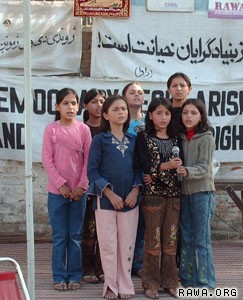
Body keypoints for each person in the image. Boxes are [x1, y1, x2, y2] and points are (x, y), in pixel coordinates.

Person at [87, 94, 143, 299]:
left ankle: (126, 285)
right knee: (108, 245)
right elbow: (92, 172)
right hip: (106, 201)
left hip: (130, 200)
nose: (121, 112)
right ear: (105, 115)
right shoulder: (99, 140)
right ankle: (110, 286)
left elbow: (139, 169)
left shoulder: (134, 140)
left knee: (127, 245)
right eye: (116, 109)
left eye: (123, 109)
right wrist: (110, 194)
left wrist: (135, 191)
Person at [42, 88, 92, 291]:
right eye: (65, 103)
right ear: (57, 107)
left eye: (73, 103)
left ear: (79, 106)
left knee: (76, 235)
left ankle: (74, 275)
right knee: (60, 235)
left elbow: (89, 160)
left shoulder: (83, 130)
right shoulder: (51, 130)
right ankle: (59, 276)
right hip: (57, 193)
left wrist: (81, 186)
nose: (70, 107)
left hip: (78, 193)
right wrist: (60, 184)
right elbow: (47, 159)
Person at [136, 98, 182, 298]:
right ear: (151, 115)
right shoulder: (143, 137)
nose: (163, 118)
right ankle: (150, 283)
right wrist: (164, 167)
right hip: (152, 197)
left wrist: (160, 171)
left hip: (174, 196)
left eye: (167, 114)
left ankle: (171, 282)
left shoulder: (176, 139)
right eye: (159, 113)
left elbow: (180, 167)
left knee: (171, 240)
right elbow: (144, 164)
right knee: (153, 241)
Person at [177, 98, 216, 289]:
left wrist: (187, 171)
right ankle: (187, 280)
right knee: (186, 238)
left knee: (202, 240)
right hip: (184, 194)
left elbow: (205, 168)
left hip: (202, 193)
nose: (189, 116)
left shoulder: (206, 136)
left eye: (193, 113)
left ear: (201, 116)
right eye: (185, 112)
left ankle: (206, 282)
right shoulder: (181, 137)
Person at [82, 88, 106, 284]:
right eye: (94, 101)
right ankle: (87, 267)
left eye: (102, 101)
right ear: (85, 105)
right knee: (89, 228)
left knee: (104, 230)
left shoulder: (109, 130)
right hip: (87, 185)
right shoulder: (81, 129)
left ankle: (102, 267)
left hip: (107, 185)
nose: (99, 105)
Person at [122, 82, 145, 277]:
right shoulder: (119, 122)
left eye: (140, 93)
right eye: (132, 92)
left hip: (145, 179)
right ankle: (120, 264)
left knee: (143, 224)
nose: (137, 95)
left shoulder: (149, 122)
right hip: (123, 177)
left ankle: (138, 263)